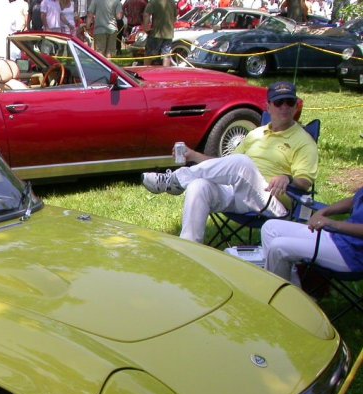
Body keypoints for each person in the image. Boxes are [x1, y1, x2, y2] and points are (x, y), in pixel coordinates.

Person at [141, 81, 319, 244]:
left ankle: (176, 180)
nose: (285, 108)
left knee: (242, 163)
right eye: (279, 103)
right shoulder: (255, 134)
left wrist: (287, 178)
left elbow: (304, 182)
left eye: (289, 102)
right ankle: (189, 250)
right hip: (240, 193)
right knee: (198, 185)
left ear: (296, 106)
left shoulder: (303, 141)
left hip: (273, 202)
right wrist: (193, 155)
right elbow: (226, 165)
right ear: (268, 106)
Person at [261, 189, 363, 285]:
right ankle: (292, 293)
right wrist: (324, 211)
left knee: (279, 247)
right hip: (337, 236)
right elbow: (354, 200)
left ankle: (280, 296)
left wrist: (333, 224)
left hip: (352, 256)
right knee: (270, 227)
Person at [143, 0, 175, 66]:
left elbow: (146, 14)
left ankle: (145, 72)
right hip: (169, 34)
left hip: (156, 33)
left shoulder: (153, 2)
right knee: (166, 56)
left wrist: (146, 28)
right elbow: (175, 16)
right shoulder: (172, 2)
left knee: (149, 56)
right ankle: (165, 74)